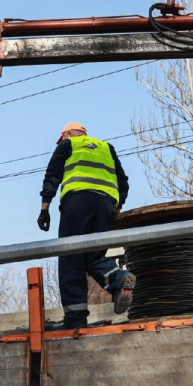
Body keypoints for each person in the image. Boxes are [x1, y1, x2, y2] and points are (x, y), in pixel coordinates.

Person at [38, 121, 135, 328]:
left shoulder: (68, 145)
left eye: (62, 138)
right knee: (94, 257)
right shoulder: (106, 148)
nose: (60, 142)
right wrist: (117, 206)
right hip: (106, 204)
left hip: (78, 202)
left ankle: (75, 319)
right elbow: (123, 181)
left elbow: (52, 175)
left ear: (69, 134)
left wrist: (44, 209)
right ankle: (120, 279)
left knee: (70, 258)